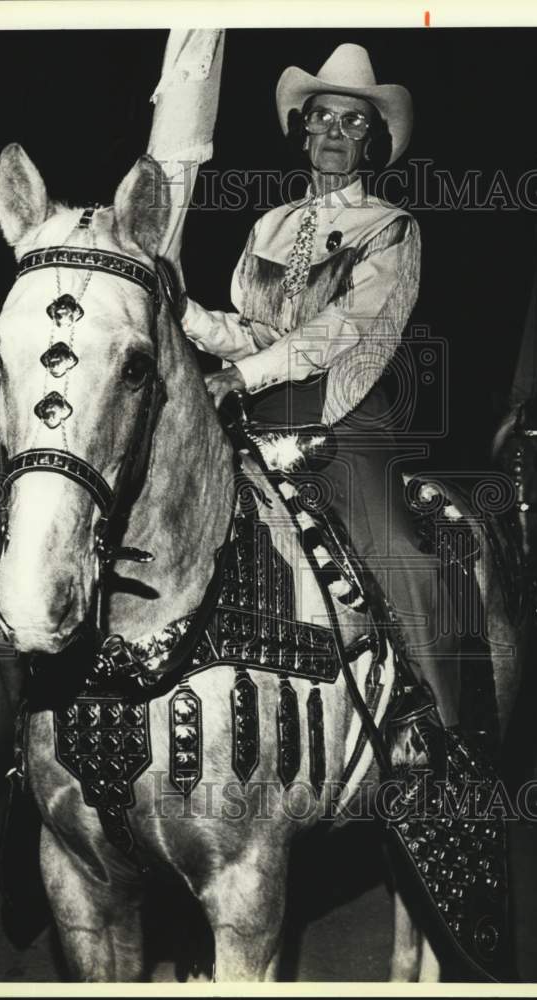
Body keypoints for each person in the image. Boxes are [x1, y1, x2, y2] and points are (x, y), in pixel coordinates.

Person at [182, 43, 461, 720]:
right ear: (302, 128)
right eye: (323, 117)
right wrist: (179, 310)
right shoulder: (269, 225)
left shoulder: (390, 228)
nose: (335, 133)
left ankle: (445, 732)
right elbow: (251, 328)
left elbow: (341, 329)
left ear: (372, 141)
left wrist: (237, 376)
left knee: (396, 557)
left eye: (353, 123)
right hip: (255, 412)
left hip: (342, 420)